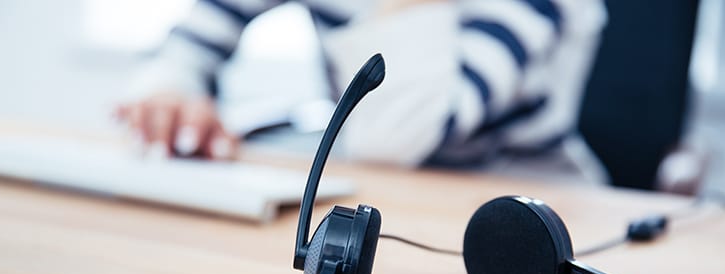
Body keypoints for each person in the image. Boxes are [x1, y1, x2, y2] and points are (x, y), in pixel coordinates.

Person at [115, 0, 606, 170]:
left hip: (522, 199)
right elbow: (181, 52)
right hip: (377, 193)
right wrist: (171, 94)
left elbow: (398, 134)